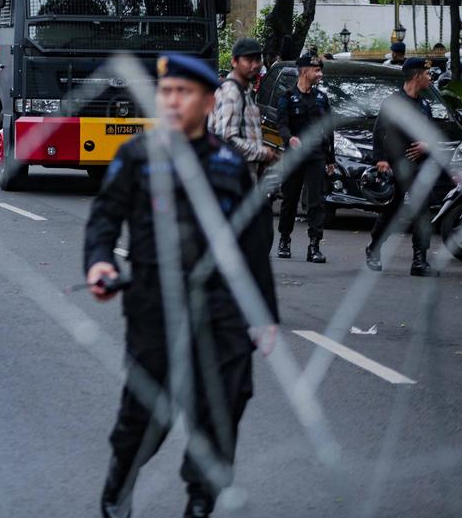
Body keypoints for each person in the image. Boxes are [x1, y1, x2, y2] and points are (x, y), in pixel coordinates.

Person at [85, 54, 279, 518]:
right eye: (166, 92)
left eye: (183, 92)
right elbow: (105, 217)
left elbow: (254, 244)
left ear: (209, 101)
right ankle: (118, 490)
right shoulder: (137, 155)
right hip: (155, 302)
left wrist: (265, 313)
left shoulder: (229, 163)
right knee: (147, 410)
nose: (171, 100)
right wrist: (98, 263)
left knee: (225, 403)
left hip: (222, 306)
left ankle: (200, 498)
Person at [366, 57, 440, 276]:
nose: (430, 77)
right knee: (391, 210)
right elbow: (379, 133)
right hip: (396, 166)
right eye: (427, 74)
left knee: (422, 213)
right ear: (416, 76)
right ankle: (374, 249)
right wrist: (381, 160)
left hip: (420, 168)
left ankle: (420, 260)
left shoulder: (425, 104)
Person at [275, 55, 334, 263]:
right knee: (290, 199)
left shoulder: (321, 98)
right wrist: (289, 138)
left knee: (317, 200)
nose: (320, 74)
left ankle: (314, 245)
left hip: (316, 155)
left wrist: (330, 159)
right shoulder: (287, 97)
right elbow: (281, 124)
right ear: (304, 71)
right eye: (317, 70)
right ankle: (284, 239)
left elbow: (329, 130)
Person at [210, 38, 276, 179]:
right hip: (231, 177)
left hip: (244, 177)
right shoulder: (231, 92)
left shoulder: (244, 91)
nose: (254, 65)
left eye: (258, 60)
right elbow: (226, 140)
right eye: (248, 60)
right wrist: (262, 153)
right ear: (234, 62)